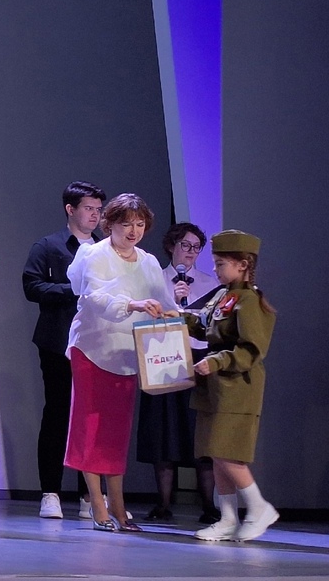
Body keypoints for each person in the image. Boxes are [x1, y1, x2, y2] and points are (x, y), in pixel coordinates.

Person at [64, 194, 177, 532]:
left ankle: (118, 503)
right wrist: (133, 304)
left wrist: (182, 318)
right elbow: (94, 297)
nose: (133, 231)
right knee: (90, 426)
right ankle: (97, 504)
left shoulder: (149, 261)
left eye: (140, 224)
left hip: (127, 353)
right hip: (92, 348)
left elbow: (166, 303)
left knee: (117, 430)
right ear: (110, 223)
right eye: (126, 223)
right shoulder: (95, 254)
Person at [23, 181, 106, 519]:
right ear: (70, 209)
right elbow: (31, 286)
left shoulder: (105, 248)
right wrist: (72, 289)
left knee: (92, 419)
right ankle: (51, 493)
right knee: (58, 414)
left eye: (98, 210)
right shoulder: (49, 246)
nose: (95, 215)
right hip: (58, 340)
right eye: (89, 208)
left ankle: (90, 496)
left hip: (97, 343)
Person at [189, 230, 278, 542]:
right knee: (216, 453)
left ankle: (259, 507)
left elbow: (252, 350)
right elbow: (203, 326)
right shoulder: (223, 296)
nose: (216, 269)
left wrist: (216, 361)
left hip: (238, 387)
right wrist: (177, 316)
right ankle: (227, 519)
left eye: (221, 263)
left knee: (227, 452)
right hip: (215, 387)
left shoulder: (250, 301)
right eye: (215, 263)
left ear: (242, 264)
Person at [137, 223, 221, 523]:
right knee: (163, 433)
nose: (191, 252)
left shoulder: (211, 283)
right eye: (186, 245)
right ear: (172, 245)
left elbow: (214, 326)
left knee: (199, 434)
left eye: (197, 247)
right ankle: (163, 504)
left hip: (198, 359)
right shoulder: (153, 281)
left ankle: (209, 506)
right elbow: (143, 320)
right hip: (163, 357)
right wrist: (172, 300)